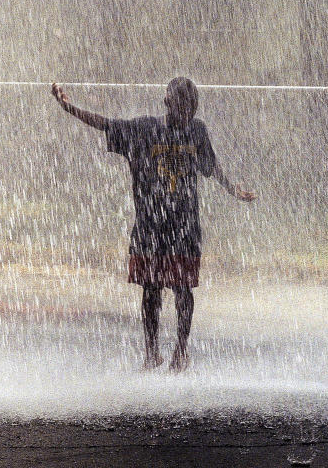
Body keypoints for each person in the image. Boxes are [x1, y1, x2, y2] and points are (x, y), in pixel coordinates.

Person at [51, 77, 255, 372]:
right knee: (151, 289)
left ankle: (181, 352)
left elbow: (210, 166)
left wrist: (232, 189)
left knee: (183, 288)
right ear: (168, 103)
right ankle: (151, 352)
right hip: (150, 226)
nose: (188, 113)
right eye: (183, 106)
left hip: (184, 226)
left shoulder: (196, 131)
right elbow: (106, 124)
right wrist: (68, 106)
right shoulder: (145, 130)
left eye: (192, 107)